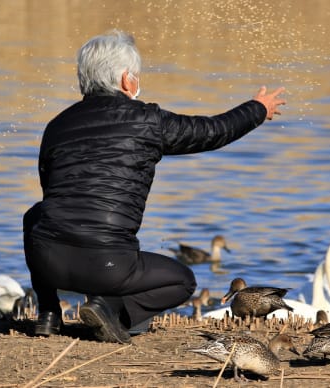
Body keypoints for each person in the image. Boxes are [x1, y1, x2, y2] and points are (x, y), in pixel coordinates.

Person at [23, 30, 285, 343]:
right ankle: (108, 309)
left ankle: (48, 313)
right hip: (109, 267)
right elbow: (214, 131)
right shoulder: (147, 121)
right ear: (125, 80)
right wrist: (257, 109)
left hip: (47, 260)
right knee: (183, 281)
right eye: (136, 76)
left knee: (36, 214)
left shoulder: (57, 126)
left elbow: (49, 189)